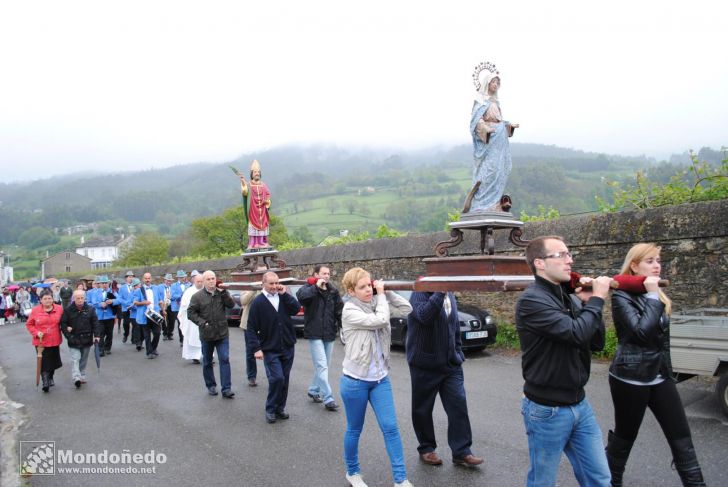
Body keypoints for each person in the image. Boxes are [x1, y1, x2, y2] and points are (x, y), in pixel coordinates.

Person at [515, 235, 612, 487]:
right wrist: (599, 299)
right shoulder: (532, 300)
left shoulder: (568, 298)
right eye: (561, 255)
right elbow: (575, 333)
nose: (570, 260)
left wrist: (591, 303)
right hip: (547, 410)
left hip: (580, 404)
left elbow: (595, 343)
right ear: (540, 263)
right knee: (543, 481)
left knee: (599, 478)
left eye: (569, 254)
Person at [606, 243, 705, 486]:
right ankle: (608, 482)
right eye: (650, 261)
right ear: (634, 265)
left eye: (658, 260)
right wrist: (652, 295)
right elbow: (641, 334)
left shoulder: (657, 294)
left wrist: (669, 373)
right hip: (630, 376)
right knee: (625, 438)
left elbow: (662, 342)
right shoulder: (621, 296)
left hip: (659, 375)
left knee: (681, 438)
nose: (657, 265)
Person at [339, 267, 414, 487]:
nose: (368, 290)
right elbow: (381, 320)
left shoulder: (378, 300)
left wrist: (387, 292)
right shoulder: (349, 310)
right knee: (354, 429)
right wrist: (381, 296)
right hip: (355, 382)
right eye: (362, 287)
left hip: (380, 380)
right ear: (351, 291)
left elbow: (407, 308)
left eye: (369, 285)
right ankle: (352, 473)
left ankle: (401, 479)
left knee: (391, 427)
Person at [407, 291, 483, 468]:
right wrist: (439, 292)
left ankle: (462, 451)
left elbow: (453, 325)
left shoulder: (450, 294)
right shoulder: (419, 294)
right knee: (422, 409)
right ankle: (427, 448)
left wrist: (458, 351)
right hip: (424, 363)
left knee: (458, 405)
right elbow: (424, 316)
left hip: (450, 364)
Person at [247, 271, 301, 422]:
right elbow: (251, 328)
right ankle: (270, 408)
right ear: (263, 284)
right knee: (277, 378)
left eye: (276, 283)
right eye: (271, 283)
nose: (274, 286)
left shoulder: (283, 297)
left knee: (285, 379)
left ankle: (280, 408)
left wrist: (285, 294)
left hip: (287, 345)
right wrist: (256, 349)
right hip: (270, 347)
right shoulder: (258, 302)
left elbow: (296, 309)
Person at [466, 62, 519, 213]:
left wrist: (508, 126)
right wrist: (485, 129)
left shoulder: (496, 102)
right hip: (489, 139)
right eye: (493, 82)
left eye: (497, 82)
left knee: (499, 170)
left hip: (500, 138)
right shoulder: (481, 101)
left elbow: (499, 120)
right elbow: (476, 122)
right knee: (489, 169)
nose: (496, 85)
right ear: (487, 83)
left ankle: (495, 202)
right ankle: (481, 205)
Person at [296, 265, 344, 411]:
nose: (327, 276)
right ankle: (328, 398)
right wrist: (315, 287)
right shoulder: (308, 288)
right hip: (315, 333)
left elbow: (339, 310)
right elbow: (301, 298)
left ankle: (313, 389)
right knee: (322, 365)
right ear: (316, 274)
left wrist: (344, 328)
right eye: (324, 273)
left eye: (328, 274)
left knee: (323, 366)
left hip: (329, 333)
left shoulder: (333, 290)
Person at [187, 271, 235, 398]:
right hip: (207, 334)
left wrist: (224, 292)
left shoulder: (221, 293)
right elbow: (191, 313)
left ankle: (226, 388)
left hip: (222, 333)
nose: (211, 281)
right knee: (207, 361)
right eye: (208, 279)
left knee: (224, 359)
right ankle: (211, 385)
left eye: (213, 278)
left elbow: (231, 305)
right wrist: (202, 323)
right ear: (203, 281)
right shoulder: (197, 296)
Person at [61, 290, 102, 388]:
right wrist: (68, 335)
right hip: (73, 338)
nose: (80, 300)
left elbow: (95, 323)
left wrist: (97, 335)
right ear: (73, 299)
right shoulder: (68, 310)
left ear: (84, 298)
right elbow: (63, 324)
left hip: (87, 338)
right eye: (77, 298)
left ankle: (82, 374)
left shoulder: (90, 309)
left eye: (81, 298)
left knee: (83, 359)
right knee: (75, 358)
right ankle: (76, 377)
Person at [25, 290, 64, 392]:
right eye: (45, 299)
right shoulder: (35, 310)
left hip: (55, 339)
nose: (47, 301)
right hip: (41, 341)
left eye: (49, 298)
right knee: (43, 361)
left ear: (53, 299)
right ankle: (45, 381)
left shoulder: (59, 309)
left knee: (54, 362)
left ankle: (51, 377)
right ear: (41, 300)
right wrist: (36, 332)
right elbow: (29, 324)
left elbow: (64, 322)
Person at [238, 159, 271, 249]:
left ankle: (262, 242)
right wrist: (242, 180)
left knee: (262, 225)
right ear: (251, 174)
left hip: (262, 210)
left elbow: (268, 195)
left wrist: (267, 201)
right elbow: (245, 191)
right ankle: (253, 243)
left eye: (258, 172)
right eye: (255, 172)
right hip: (253, 210)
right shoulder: (249, 185)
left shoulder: (263, 185)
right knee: (253, 225)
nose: (257, 174)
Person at [132, 272, 162, 359]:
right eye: (146, 278)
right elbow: (135, 302)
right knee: (147, 335)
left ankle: (153, 348)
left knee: (157, 333)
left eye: (149, 278)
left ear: (151, 279)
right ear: (143, 279)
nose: (147, 280)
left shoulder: (156, 288)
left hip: (155, 314)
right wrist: (143, 302)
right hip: (144, 315)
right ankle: (149, 352)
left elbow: (160, 300)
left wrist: (162, 309)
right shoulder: (138, 290)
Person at [89, 275, 119, 356]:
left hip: (110, 316)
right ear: (100, 284)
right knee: (100, 333)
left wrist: (112, 301)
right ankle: (100, 349)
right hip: (99, 316)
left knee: (109, 333)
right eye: (103, 283)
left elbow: (119, 300)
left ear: (108, 283)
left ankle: (107, 348)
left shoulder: (112, 292)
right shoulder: (95, 292)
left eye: (106, 283)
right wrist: (100, 304)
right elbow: (93, 303)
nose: (104, 284)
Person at [179, 273, 204, 363]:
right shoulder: (188, 292)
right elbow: (184, 305)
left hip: (205, 319)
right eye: (198, 282)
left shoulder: (207, 290)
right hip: (193, 320)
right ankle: (195, 356)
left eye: (202, 281)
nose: (200, 283)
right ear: (194, 281)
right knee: (193, 336)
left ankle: (208, 356)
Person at [239, 289, 261, 386]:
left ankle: (272, 376)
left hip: (264, 324)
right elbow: (243, 301)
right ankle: (252, 376)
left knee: (269, 350)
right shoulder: (247, 287)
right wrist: (253, 289)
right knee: (250, 351)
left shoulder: (267, 286)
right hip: (248, 324)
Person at [170, 270, 188, 345]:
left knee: (187, 323)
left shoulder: (188, 284)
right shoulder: (173, 285)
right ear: (178, 278)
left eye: (183, 277)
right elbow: (172, 296)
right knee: (180, 323)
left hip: (186, 307)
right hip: (177, 307)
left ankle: (187, 338)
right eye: (181, 277)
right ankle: (182, 340)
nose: (183, 278)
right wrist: (181, 296)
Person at [117, 271, 136, 344]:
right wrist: (126, 303)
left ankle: (134, 339)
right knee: (126, 323)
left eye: (132, 277)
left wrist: (133, 304)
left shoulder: (136, 286)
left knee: (135, 324)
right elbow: (120, 298)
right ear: (126, 278)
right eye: (130, 277)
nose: (131, 278)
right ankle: (126, 334)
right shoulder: (122, 288)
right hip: (126, 308)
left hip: (134, 308)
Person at [157, 273, 175, 340]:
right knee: (164, 320)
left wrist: (171, 297)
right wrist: (161, 302)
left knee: (172, 320)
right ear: (164, 280)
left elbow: (176, 295)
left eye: (170, 281)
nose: (169, 282)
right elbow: (158, 296)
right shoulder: (159, 287)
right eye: (167, 280)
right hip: (163, 305)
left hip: (171, 305)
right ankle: (165, 333)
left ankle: (170, 334)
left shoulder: (173, 287)